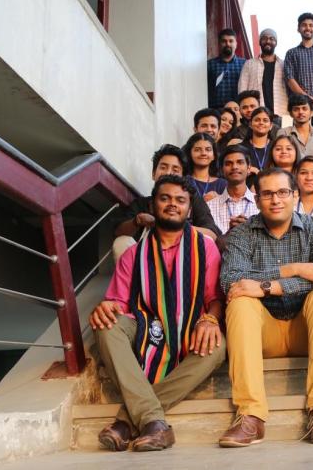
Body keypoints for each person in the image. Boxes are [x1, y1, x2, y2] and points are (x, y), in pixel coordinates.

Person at [92, 175, 225, 452]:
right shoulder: (133, 254)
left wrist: (211, 319)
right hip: (146, 327)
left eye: (180, 200)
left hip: (192, 326)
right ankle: (153, 421)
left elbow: (215, 298)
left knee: (218, 346)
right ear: (153, 205)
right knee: (106, 327)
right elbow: (117, 302)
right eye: (165, 199)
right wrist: (107, 308)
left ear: (190, 209)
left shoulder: (206, 247)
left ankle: (126, 422)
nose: (172, 205)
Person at [219, 168, 313, 446]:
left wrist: (267, 285)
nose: (276, 200)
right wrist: (295, 268)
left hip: (306, 331)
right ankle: (250, 416)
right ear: (258, 198)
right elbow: (232, 282)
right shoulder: (242, 234)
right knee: (240, 302)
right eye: (268, 194)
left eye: (283, 192)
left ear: (295, 195)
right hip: (264, 333)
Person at [113, 145, 219, 262]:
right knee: (121, 242)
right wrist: (137, 221)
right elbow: (119, 231)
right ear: (153, 173)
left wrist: (172, 226)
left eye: (175, 170)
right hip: (146, 260)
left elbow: (211, 234)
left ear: (183, 177)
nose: (168, 173)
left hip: (184, 259)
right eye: (163, 167)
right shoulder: (141, 203)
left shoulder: (193, 201)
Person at [206, 145, 259, 235]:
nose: (234, 167)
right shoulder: (209, 207)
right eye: (228, 163)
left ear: (249, 168)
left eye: (240, 162)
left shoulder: (261, 203)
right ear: (222, 170)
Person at [238, 28, 288, 118]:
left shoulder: (284, 65)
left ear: (276, 43)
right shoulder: (249, 63)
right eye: (264, 38)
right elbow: (242, 90)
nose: (268, 41)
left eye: (272, 39)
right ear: (260, 42)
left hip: (281, 112)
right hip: (256, 113)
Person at [279, 94, 313, 160]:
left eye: (304, 108)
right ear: (291, 114)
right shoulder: (283, 133)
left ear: (311, 112)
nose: (300, 112)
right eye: (296, 109)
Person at [208, 28, 246, 108]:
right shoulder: (209, 65)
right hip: (216, 111)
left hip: (238, 110)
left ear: (236, 44)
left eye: (231, 41)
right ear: (219, 44)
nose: (227, 44)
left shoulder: (245, 64)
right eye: (224, 41)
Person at [182, 133, 226, 202]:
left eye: (208, 149)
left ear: (214, 155)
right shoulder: (183, 181)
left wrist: (220, 200)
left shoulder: (223, 184)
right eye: (197, 150)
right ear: (190, 154)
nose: (203, 153)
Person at [242, 106, 275, 176]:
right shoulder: (241, 148)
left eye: (265, 120)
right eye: (257, 120)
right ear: (250, 124)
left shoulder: (276, 147)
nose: (261, 123)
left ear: (271, 126)